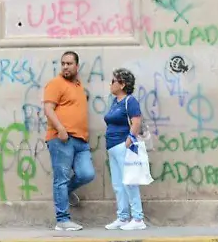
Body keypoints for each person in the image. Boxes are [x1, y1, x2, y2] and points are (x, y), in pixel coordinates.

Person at [43, 51, 96, 231]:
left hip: (81, 141)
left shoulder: (78, 86)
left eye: (69, 63)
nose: (65, 67)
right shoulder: (55, 83)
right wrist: (61, 129)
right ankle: (62, 220)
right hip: (62, 139)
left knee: (87, 174)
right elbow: (48, 109)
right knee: (61, 179)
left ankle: (66, 193)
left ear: (77, 66)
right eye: (63, 63)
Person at [104, 68, 146, 231]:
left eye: (113, 81)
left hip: (123, 146)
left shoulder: (130, 101)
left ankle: (138, 218)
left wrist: (129, 140)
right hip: (112, 147)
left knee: (129, 182)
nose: (110, 84)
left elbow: (136, 122)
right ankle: (122, 217)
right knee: (118, 185)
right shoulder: (115, 102)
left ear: (122, 84)